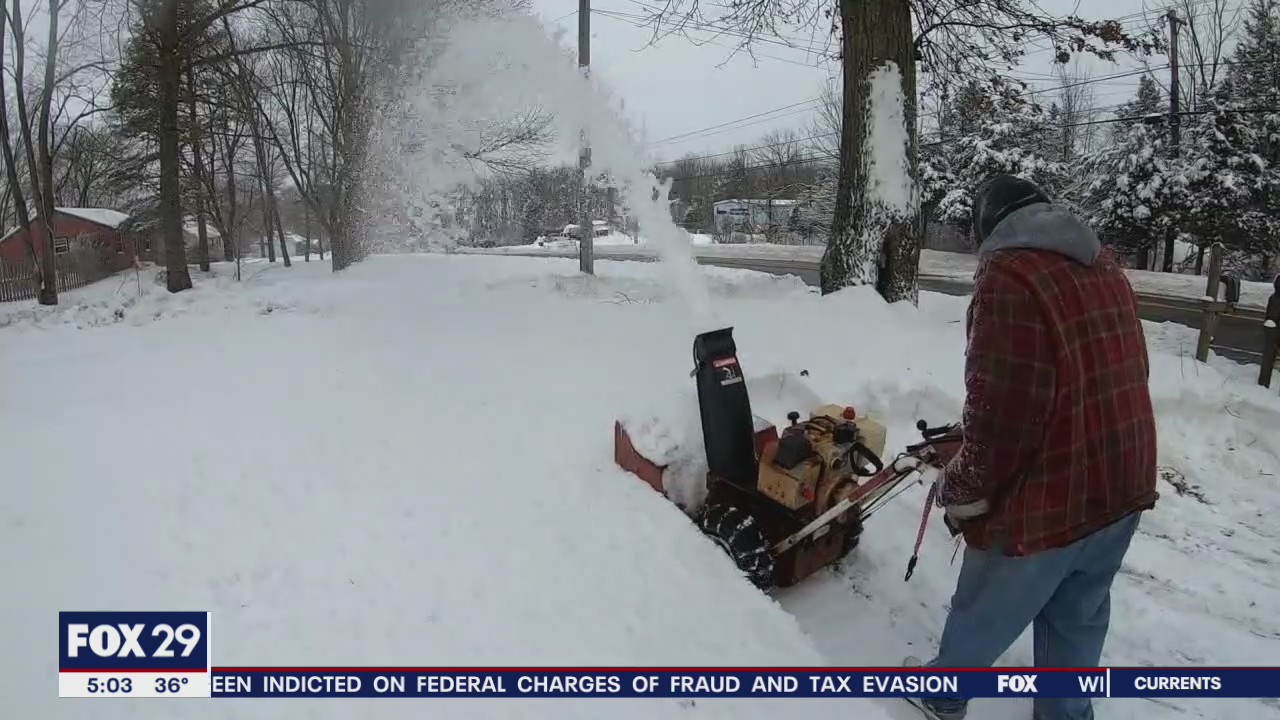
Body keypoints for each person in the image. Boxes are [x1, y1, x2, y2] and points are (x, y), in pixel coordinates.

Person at [913, 175, 1159, 720]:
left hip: (1054, 497)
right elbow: (1121, 370)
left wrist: (959, 486)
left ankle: (943, 695)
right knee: (1078, 612)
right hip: (1125, 478)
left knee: (986, 604)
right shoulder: (1104, 266)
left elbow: (1003, 420)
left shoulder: (1009, 276)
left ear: (988, 229)